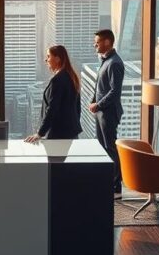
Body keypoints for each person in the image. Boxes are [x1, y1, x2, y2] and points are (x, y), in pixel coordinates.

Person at [89, 29, 124, 199]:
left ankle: (116, 186)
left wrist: (99, 104)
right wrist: (93, 100)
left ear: (107, 42)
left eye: (97, 41)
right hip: (101, 112)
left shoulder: (115, 63)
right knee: (103, 147)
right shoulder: (106, 61)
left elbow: (115, 91)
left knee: (111, 148)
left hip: (108, 113)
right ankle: (108, 181)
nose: (94, 44)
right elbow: (100, 86)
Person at [25, 45, 82, 143]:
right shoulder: (71, 77)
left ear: (57, 59)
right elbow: (77, 108)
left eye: (48, 56)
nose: (46, 60)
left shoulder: (58, 80)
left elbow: (52, 109)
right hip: (70, 132)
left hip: (58, 133)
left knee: (55, 158)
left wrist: (40, 133)